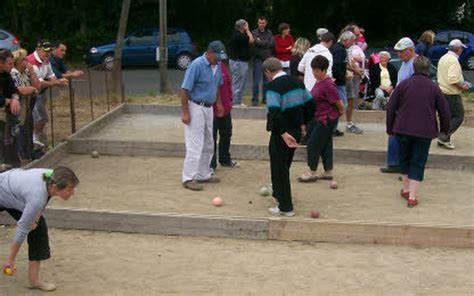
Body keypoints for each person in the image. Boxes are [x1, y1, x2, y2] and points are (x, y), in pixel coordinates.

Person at [0, 166, 80, 291]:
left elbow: (45, 199)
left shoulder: (50, 176)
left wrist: (36, 218)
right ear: (54, 187)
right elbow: (22, 228)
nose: (73, 192)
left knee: (38, 227)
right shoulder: (37, 196)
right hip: (4, 190)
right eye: (70, 189)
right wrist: (11, 259)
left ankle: (33, 281)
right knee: (29, 223)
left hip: (14, 193)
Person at [386, 56, 450, 207]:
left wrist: (390, 128)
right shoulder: (434, 87)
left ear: (414, 68)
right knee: (418, 161)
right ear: (428, 70)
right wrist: (445, 130)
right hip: (424, 131)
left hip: (403, 128)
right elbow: (444, 111)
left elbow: (391, 107)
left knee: (405, 158)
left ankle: (406, 188)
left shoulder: (403, 85)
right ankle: (412, 197)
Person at [263, 57, 315, 217]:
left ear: (268, 72)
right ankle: (278, 194)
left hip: (282, 132)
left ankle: (285, 207)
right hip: (297, 130)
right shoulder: (297, 82)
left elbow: (275, 112)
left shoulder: (273, 87)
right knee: (285, 164)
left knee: (279, 168)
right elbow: (311, 104)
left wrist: (283, 133)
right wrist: (304, 124)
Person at [181, 41, 225, 191]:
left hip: (208, 107)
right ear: (209, 53)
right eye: (217, 56)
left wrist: (218, 103)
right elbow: (184, 89)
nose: (219, 60)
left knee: (209, 141)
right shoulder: (196, 65)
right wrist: (185, 112)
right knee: (195, 142)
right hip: (195, 106)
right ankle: (188, 177)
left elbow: (217, 86)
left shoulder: (217, 66)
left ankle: (203, 174)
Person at [297, 55, 344, 182]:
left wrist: (335, 115)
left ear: (324, 70)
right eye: (313, 70)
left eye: (317, 70)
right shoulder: (319, 82)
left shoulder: (328, 85)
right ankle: (328, 171)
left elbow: (339, 104)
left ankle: (312, 171)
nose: (314, 73)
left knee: (312, 143)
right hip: (319, 117)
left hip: (325, 119)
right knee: (326, 144)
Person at [380, 37, 417, 174]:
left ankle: (404, 166)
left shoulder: (415, 64)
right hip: (399, 104)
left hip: (408, 105)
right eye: (398, 52)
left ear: (411, 50)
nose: (398, 55)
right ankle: (394, 163)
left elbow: (415, 87)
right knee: (394, 132)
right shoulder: (405, 62)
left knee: (403, 134)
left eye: (401, 52)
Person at [27, 40, 68, 148]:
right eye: (45, 51)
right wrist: (56, 82)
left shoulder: (46, 60)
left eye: (49, 51)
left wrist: (58, 82)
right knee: (35, 118)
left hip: (39, 94)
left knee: (43, 118)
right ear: (38, 50)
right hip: (30, 95)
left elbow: (51, 74)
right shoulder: (32, 62)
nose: (48, 54)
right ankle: (31, 141)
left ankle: (35, 138)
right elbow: (39, 83)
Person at [436, 39, 471, 150]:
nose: (462, 50)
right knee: (458, 116)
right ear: (458, 49)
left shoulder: (443, 58)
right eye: (461, 49)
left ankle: (444, 138)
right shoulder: (454, 60)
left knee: (447, 117)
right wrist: (463, 85)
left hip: (442, 90)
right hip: (451, 93)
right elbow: (453, 79)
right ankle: (443, 136)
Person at [11, 48, 41, 165]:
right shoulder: (14, 73)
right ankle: (22, 156)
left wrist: (32, 73)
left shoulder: (26, 71)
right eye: (24, 59)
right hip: (20, 105)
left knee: (28, 128)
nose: (27, 61)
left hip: (28, 105)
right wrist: (32, 89)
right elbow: (21, 90)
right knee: (20, 131)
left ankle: (29, 153)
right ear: (18, 62)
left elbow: (37, 86)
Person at [211, 58, 238, 170]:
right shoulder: (206, 68)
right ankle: (211, 164)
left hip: (226, 107)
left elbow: (228, 84)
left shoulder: (222, 66)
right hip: (212, 109)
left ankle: (225, 159)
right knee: (212, 136)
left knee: (226, 133)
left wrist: (230, 99)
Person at [329, 30, 356, 136]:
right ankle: (331, 128)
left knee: (340, 105)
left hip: (338, 81)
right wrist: (344, 75)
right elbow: (336, 66)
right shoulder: (340, 50)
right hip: (338, 82)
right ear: (346, 40)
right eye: (352, 41)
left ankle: (333, 128)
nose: (352, 43)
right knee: (341, 105)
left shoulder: (337, 48)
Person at [0, 49, 21, 169]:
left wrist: (15, 98)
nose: (12, 66)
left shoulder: (6, 74)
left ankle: (13, 166)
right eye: (10, 64)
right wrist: (11, 101)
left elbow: (14, 90)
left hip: (6, 114)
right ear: (0, 63)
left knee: (10, 140)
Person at [229, 19, 254, 107]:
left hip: (239, 61)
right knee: (237, 82)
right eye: (246, 25)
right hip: (238, 62)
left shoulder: (238, 34)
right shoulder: (239, 36)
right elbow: (251, 40)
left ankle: (238, 101)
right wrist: (247, 30)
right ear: (243, 26)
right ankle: (235, 102)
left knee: (240, 82)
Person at [251, 16, 274, 106]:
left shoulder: (269, 32)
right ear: (258, 23)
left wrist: (261, 42)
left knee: (267, 81)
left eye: (263, 23)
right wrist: (265, 42)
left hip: (267, 59)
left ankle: (265, 99)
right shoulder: (254, 32)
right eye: (260, 23)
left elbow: (272, 43)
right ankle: (255, 99)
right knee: (256, 81)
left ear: (266, 23)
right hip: (257, 59)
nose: (261, 24)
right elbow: (256, 42)